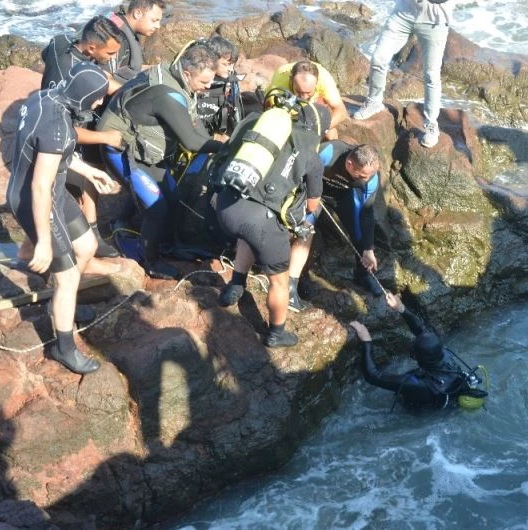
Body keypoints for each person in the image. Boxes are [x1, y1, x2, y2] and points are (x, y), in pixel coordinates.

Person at [6, 62, 118, 374]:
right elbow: (40, 185)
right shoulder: (55, 125)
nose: (97, 104)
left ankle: (62, 302)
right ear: (83, 97)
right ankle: (63, 347)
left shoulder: (47, 97)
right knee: (67, 275)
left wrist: (90, 171)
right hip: (34, 200)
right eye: (96, 99)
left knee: (86, 246)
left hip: (52, 191)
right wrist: (42, 241)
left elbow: (57, 151)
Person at [98, 41, 225, 280]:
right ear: (187, 74)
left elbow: (195, 127)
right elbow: (192, 142)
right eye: (204, 82)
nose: (209, 87)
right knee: (157, 208)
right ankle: (151, 261)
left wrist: (215, 143)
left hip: (144, 151)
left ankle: (162, 242)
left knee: (173, 198)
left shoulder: (175, 77)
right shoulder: (167, 94)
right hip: (120, 150)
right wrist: (226, 148)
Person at [214, 101, 331, 348]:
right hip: (258, 222)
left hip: (225, 206)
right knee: (279, 279)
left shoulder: (269, 132)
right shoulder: (312, 154)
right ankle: (277, 334)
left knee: (248, 233)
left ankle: (235, 285)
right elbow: (311, 206)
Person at [41, 15, 126, 258]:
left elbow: (47, 53)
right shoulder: (66, 79)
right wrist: (107, 138)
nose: (112, 60)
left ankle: (93, 231)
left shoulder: (61, 42)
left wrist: (124, 89)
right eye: (110, 55)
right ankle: (78, 239)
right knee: (86, 163)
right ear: (91, 48)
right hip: (57, 131)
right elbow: (64, 131)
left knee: (93, 159)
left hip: (73, 116)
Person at [284, 141, 383, 312]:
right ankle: (292, 283)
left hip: (342, 196)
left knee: (359, 233)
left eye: (369, 175)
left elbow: (367, 214)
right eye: (361, 176)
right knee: (306, 231)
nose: (365, 180)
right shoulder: (330, 152)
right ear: (350, 164)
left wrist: (368, 249)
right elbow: (299, 171)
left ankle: (362, 274)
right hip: (313, 193)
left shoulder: (371, 179)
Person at [349, 292, 487, 410]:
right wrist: (400, 308)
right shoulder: (445, 356)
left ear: (418, 358)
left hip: (421, 408)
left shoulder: (416, 385)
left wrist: (366, 341)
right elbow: (422, 330)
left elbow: (372, 376)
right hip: (444, 387)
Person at [352, 0, 452, 148]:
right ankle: (374, 101)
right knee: (379, 58)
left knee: (431, 74)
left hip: (434, 21)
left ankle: (431, 124)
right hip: (403, 13)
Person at [267, 60, 347, 140]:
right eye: (299, 91)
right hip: (287, 99)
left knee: (330, 133)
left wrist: (320, 129)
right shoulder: (280, 83)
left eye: (308, 92)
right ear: (291, 80)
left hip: (316, 99)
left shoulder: (324, 80)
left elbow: (341, 112)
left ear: (316, 83)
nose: (304, 97)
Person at [107, 0, 166, 83]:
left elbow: (132, 67)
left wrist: (160, 69)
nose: (158, 26)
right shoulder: (117, 38)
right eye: (154, 20)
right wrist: (125, 94)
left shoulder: (129, 30)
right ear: (137, 14)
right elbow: (103, 77)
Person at [195, 35, 242, 138]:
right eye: (225, 64)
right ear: (211, 60)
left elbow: (236, 109)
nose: (230, 69)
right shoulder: (196, 78)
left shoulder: (231, 80)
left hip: (218, 127)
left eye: (232, 64)